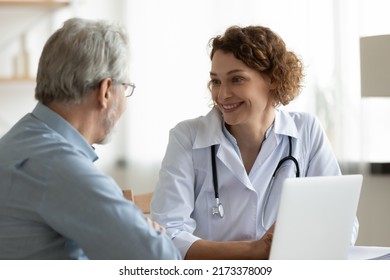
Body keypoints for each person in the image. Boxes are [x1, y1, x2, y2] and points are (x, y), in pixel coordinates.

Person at [150, 25, 359, 259]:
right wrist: (254, 251)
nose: (222, 94)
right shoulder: (187, 137)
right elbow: (166, 237)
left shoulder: (306, 131)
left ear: (273, 78)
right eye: (216, 81)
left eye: (236, 79)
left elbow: (343, 221)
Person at [0, 18, 181, 260]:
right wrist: (152, 234)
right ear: (105, 91)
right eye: (125, 87)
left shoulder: (18, 141)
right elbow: (161, 261)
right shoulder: (59, 164)